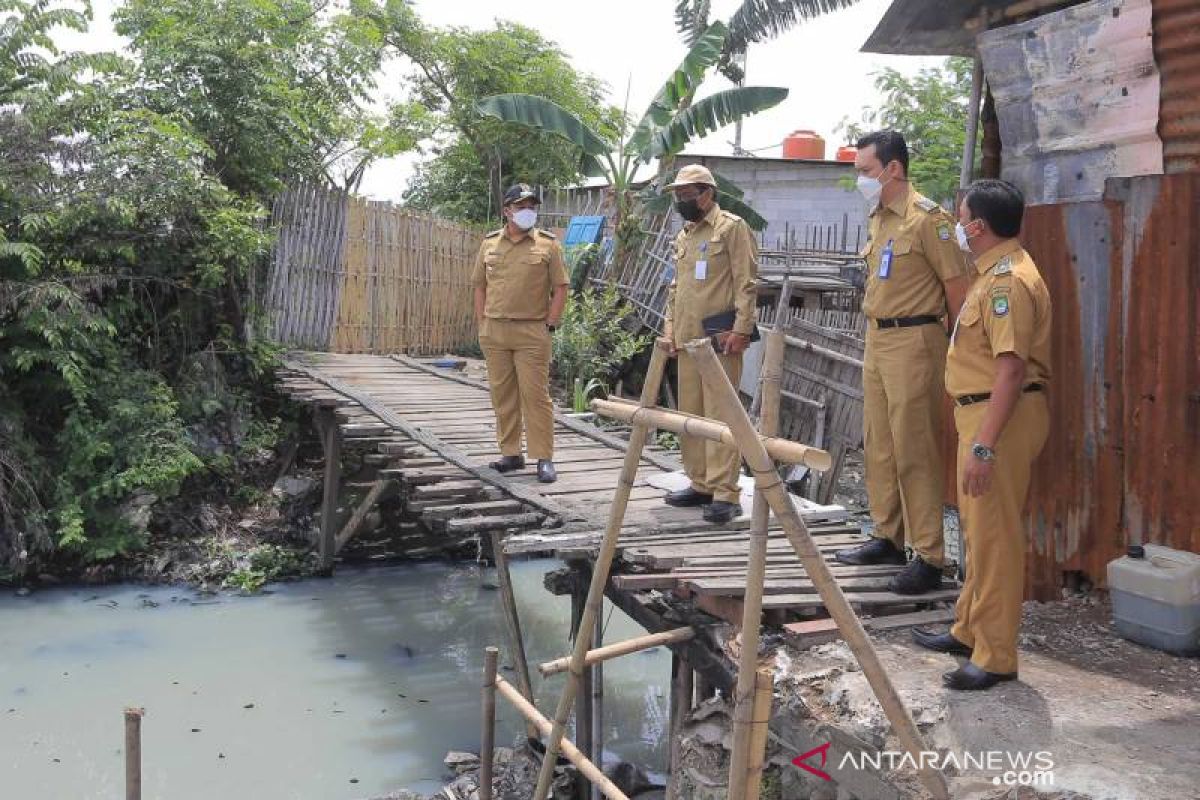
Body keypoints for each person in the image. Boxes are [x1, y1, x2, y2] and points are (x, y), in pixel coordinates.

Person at [912, 179, 1051, 690]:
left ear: (980, 226)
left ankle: (995, 656)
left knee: (994, 539)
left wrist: (984, 445)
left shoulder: (1007, 283)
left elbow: (1010, 370)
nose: (956, 226)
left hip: (1000, 418)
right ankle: (969, 629)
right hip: (983, 413)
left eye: (960, 217)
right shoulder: (991, 272)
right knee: (976, 530)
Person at [835, 130, 971, 595]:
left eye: (866, 171)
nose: (861, 181)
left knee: (915, 447)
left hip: (916, 339)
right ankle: (887, 536)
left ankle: (930, 554)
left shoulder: (928, 220)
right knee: (879, 444)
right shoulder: (879, 218)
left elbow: (958, 290)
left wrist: (957, 352)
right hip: (877, 339)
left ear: (893, 169)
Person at [658, 164, 759, 525]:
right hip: (686, 341)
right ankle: (699, 482)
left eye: (687, 195)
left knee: (722, 418)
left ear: (707, 194)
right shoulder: (685, 235)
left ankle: (725, 493)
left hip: (720, 340)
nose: (681, 201)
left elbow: (746, 281)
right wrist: (669, 329)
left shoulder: (731, 228)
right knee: (691, 416)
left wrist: (742, 328)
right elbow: (676, 289)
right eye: (678, 195)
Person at [472, 183, 569, 483]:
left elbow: (561, 287)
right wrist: (482, 324)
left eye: (532, 206)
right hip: (495, 331)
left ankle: (543, 457)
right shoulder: (489, 244)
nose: (528, 211)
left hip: (531, 331)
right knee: (503, 395)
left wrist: (551, 321)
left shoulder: (548, 244)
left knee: (536, 396)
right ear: (507, 210)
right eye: (521, 206)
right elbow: (479, 285)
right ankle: (511, 453)